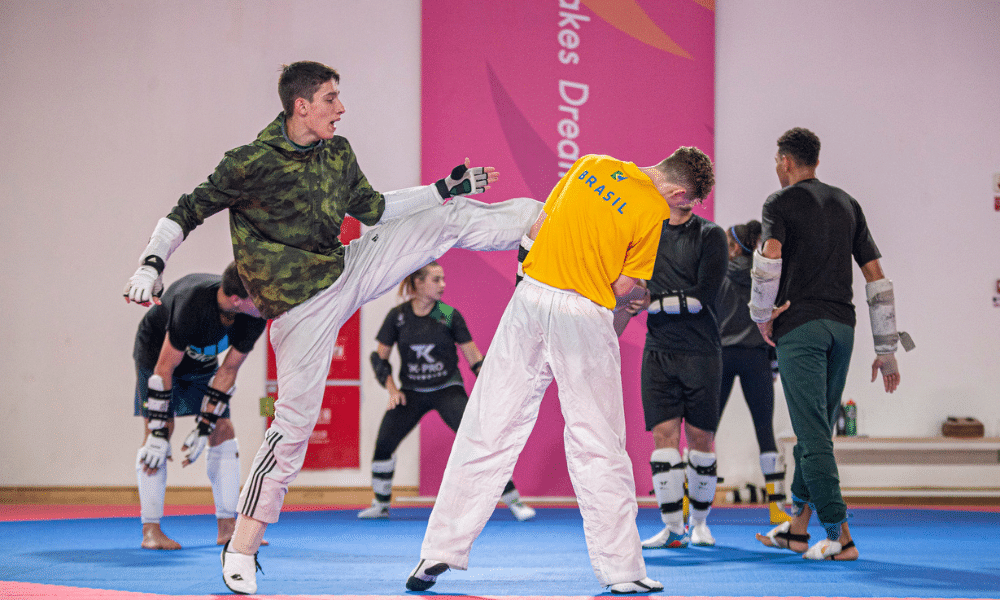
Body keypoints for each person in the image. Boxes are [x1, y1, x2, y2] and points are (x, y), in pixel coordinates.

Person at [122, 61, 542, 594]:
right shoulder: (248, 162)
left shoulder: (337, 153)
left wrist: (442, 188)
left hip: (347, 266)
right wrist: (150, 264)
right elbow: (185, 211)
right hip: (300, 313)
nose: (340, 109)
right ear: (302, 106)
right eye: (331, 98)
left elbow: (375, 209)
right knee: (291, 431)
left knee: (449, 216)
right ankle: (243, 547)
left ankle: (541, 228)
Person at [406, 148, 715, 594]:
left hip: (529, 298)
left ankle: (437, 552)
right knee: (599, 442)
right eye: (685, 204)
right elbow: (625, 288)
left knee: (486, 426)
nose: (680, 210)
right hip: (582, 313)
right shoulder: (653, 210)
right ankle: (623, 572)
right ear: (680, 192)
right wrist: (625, 299)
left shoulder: (591, 163)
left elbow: (538, 229)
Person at [751, 127, 906, 561]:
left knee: (813, 434)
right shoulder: (847, 203)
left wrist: (761, 315)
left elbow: (769, 257)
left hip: (801, 327)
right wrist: (887, 348)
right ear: (815, 160)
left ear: (784, 161)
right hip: (844, 329)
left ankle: (841, 536)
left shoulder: (778, 203)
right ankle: (796, 530)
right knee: (816, 433)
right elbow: (876, 276)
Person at [359, 261, 535, 521]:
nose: (443, 285)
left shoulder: (449, 314)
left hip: (447, 390)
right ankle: (381, 504)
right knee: (384, 443)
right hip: (411, 393)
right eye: (436, 280)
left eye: (443, 279)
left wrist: (495, 387)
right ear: (418, 283)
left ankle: (513, 501)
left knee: (479, 441)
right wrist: (393, 390)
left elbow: (474, 358)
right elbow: (378, 358)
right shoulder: (397, 316)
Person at [133, 262, 267, 550]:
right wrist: (158, 431)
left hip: (201, 361)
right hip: (156, 355)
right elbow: (164, 368)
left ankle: (228, 527)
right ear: (236, 300)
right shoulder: (192, 303)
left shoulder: (254, 315)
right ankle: (151, 531)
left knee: (223, 428)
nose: (265, 302)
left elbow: (229, 370)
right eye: (257, 297)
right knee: (159, 434)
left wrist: (204, 425)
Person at [631, 185, 729, 550]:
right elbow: (631, 287)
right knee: (663, 440)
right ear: (664, 188)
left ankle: (700, 523)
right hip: (658, 351)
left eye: (693, 185)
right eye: (678, 182)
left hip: (702, 352)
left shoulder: (711, 235)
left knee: (701, 440)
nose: (684, 191)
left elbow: (704, 295)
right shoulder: (647, 233)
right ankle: (673, 528)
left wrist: (651, 302)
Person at [716, 220, 791, 525]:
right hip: (756, 358)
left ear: (734, 248)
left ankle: (687, 509)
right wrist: (773, 363)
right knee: (765, 433)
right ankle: (776, 509)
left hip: (720, 357)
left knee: (704, 434)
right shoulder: (763, 280)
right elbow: (774, 324)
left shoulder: (717, 277)